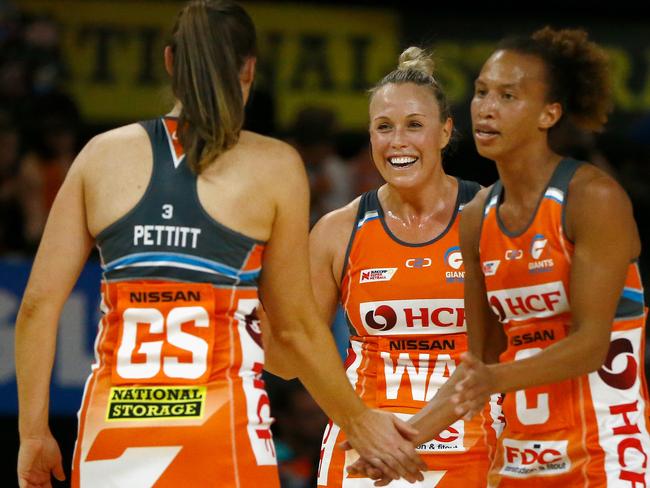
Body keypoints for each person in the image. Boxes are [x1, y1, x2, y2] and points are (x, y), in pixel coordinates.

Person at [14, 1, 427, 487]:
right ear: (249, 68)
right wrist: (358, 420)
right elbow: (293, 331)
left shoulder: (100, 157)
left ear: (170, 61)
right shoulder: (274, 165)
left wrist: (34, 434)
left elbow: (39, 306)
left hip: (114, 429)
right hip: (221, 428)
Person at [354, 26, 650, 486]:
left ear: (549, 113)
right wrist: (402, 444)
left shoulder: (593, 198)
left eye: (508, 96)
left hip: (604, 452)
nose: (486, 109)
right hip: (516, 460)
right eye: (481, 92)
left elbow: (590, 346)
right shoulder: (476, 217)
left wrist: (493, 378)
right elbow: (477, 366)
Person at [307, 47, 502, 487]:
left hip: (476, 445)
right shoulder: (337, 230)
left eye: (415, 125)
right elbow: (295, 354)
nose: (398, 141)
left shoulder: (493, 214)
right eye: (383, 127)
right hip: (365, 447)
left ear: (445, 131)